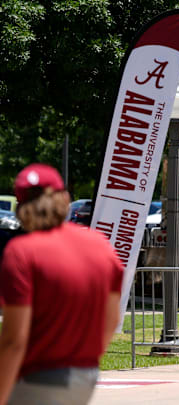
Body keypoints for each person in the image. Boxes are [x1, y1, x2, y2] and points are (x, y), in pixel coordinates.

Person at [0, 163, 123, 405]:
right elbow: (111, 320)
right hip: (84, 377)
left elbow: (15, 339)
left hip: (36, 378)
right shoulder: (100, 246)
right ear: (64, 198)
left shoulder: (21, 252)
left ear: (21, 207)